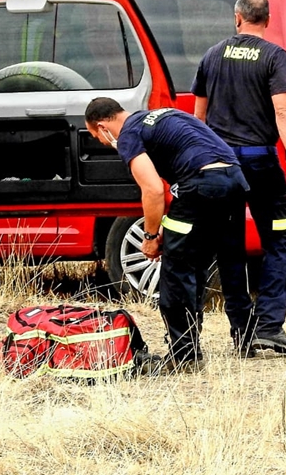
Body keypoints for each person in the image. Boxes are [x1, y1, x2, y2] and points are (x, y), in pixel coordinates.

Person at [85, 97, 250, 373]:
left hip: (201, 184)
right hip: (234, 180)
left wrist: (150, 237)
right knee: (229, 261)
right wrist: (165, 225)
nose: (102, 143)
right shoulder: (162, 116)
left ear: (102, 126)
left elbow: (152, 189)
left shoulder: (128, 135)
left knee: (177, 271)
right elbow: (178, 186)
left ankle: (184, 356)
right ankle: (247, 339)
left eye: (96, 137)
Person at [191, 0, 286, 356]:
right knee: (278, 240)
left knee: (230, 248)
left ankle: (241, 331)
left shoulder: (212, 55)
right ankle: (269, 327)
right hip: (261, 165)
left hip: (222, 167)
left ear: (237, 18)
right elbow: (284, 111)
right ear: (267, 21)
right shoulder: (274, 56)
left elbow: (198, 118)